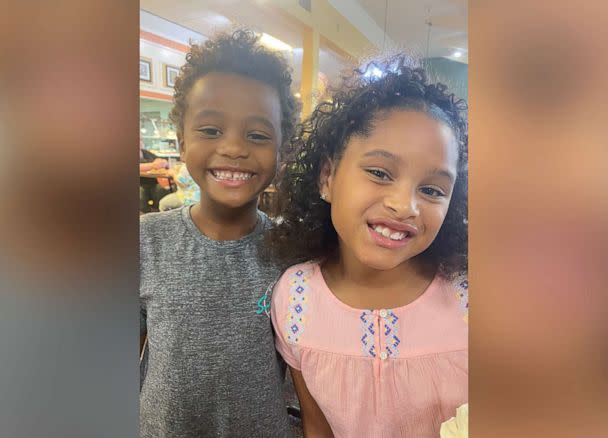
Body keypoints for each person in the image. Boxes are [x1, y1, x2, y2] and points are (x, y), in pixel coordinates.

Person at [268, 57, 469, 437]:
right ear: (327, 176)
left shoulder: (470, 297)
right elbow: (317, 427)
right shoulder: (296, 298)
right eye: (379, 173)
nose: (404, 205)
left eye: (432, 189)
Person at [139, 29, 299, 437]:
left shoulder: (293, 252)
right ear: (181, 140)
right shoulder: (145, 241)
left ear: (282, 152)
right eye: (210, 130)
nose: (233, 148)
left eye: (258, 135)